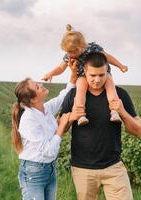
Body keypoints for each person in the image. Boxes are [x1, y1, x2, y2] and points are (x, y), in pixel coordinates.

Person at [60, 52, 141, 200]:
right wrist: (72, 116)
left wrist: (122, 111)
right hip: (82, 169)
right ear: (85, 72)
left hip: (114, 167)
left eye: (101, 75)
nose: (97, 80)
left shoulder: (120, 95)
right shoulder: (74, 95)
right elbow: (59, 128)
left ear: (108, 72)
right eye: (92, 75)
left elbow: (138, 131)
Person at [11, 67, 84, 200]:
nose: (41, 84)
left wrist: (73, 74)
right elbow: (48, 151)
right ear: (32, 100)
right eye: (37, 87)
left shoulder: (45, 109)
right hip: (34, 172)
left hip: (49, 169)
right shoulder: (29, 119)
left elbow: (64, 96)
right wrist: (61, 126)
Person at [42, 24, 129, 126]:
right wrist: (50, 74)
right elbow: (61, 68)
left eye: (73, 52)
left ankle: (114, 112)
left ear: (82, 45)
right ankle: (81, 115)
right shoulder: (69, 56)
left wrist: (120, 66)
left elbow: (108, 57)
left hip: (102, 74)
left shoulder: (93, 48)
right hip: (83, 76)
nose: (71, 55)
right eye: (68, 52)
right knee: (80, 90)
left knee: (111, 88)